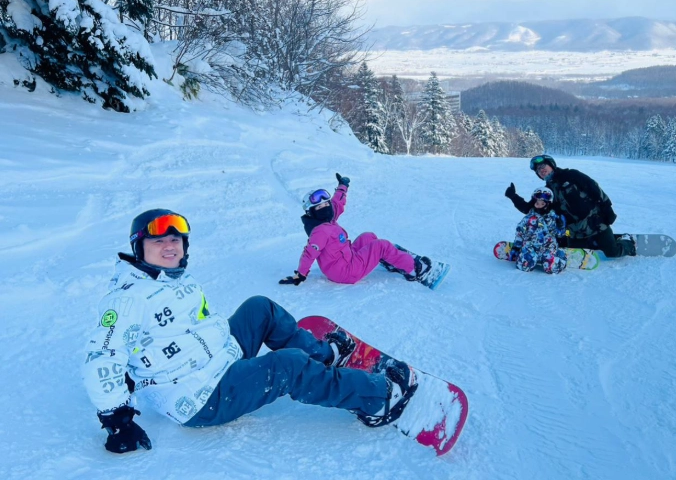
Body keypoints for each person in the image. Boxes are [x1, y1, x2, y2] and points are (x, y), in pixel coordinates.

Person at [82, 209, 418, 454]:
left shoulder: (171, 277)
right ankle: (377, 399)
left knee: (259, 308)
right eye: (158, 240)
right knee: (287, 367)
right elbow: (102, 356)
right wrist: (117, 420)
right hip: (201, 397)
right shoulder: (127, 299)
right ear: (139, 247)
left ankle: (324, 356)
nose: (169, 246)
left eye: (176, 239)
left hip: (217, 358)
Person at [279, 173, 437, 287]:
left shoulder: (327, 219)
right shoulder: (319, 231)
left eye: (325, 204)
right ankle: (415, 270)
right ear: (311, 212)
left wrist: (343, 186)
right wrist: (301, 274)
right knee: (380, 245)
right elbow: (309, 253)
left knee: (368, 237)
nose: (325, 207)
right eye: (319, 207)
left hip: (346, 259)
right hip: (345, 272)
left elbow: (336, 203)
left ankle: (391, 262)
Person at [505, 155, 636, 258]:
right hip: (576, 233)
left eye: (543, 165)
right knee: (576, 255)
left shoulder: (571, 175)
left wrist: (608, 209)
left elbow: (595, 190)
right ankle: (595, 242)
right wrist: (513, 197)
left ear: (551, 165)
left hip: (597, 224)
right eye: (538, 169)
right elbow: (532, 209)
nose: (542, 170)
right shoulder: (547, 193)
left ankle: (628, 242)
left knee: (612, 252)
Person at [507, 188, 568, 274]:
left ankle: (561, 257)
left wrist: (561, 227)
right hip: (531, 246)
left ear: (548, 204)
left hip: (548, 246)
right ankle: (527, 257)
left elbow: (561, 234)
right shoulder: (528, 218)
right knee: (523, 266)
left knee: (551, 268)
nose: (539, 206)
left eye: (542, 203)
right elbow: (520, 232)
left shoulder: (554, 217)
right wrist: (517, 247)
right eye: (537, 203)